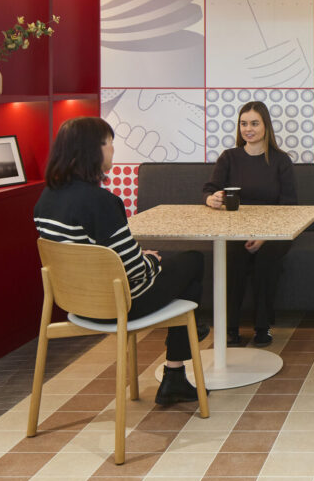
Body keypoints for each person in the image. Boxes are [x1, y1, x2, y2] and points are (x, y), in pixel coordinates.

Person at [34, 117, 207, 406]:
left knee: (163, 261)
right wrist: (150, 261)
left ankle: (187, 345)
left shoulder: (45, 200)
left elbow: (96, 257)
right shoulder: (102, 202)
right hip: (120, 305)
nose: (113, 150)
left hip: (75, 303)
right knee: (192, 261)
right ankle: (176, 370)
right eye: (109, 144)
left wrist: (140, 258)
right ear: (92, 151)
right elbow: (133, 272)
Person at [203, 101, 297, 348]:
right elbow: (211, 189)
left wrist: (266, 236)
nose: (248, 129)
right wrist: (211, 199)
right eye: (244, 124)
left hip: (276, 231)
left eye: (254, 123)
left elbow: (289, 205)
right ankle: (230, 328)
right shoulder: (229, 158)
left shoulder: (280, 160)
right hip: (236, 228)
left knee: (266, 259)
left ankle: (263, 327)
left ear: (266, 126)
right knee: (232, 255)